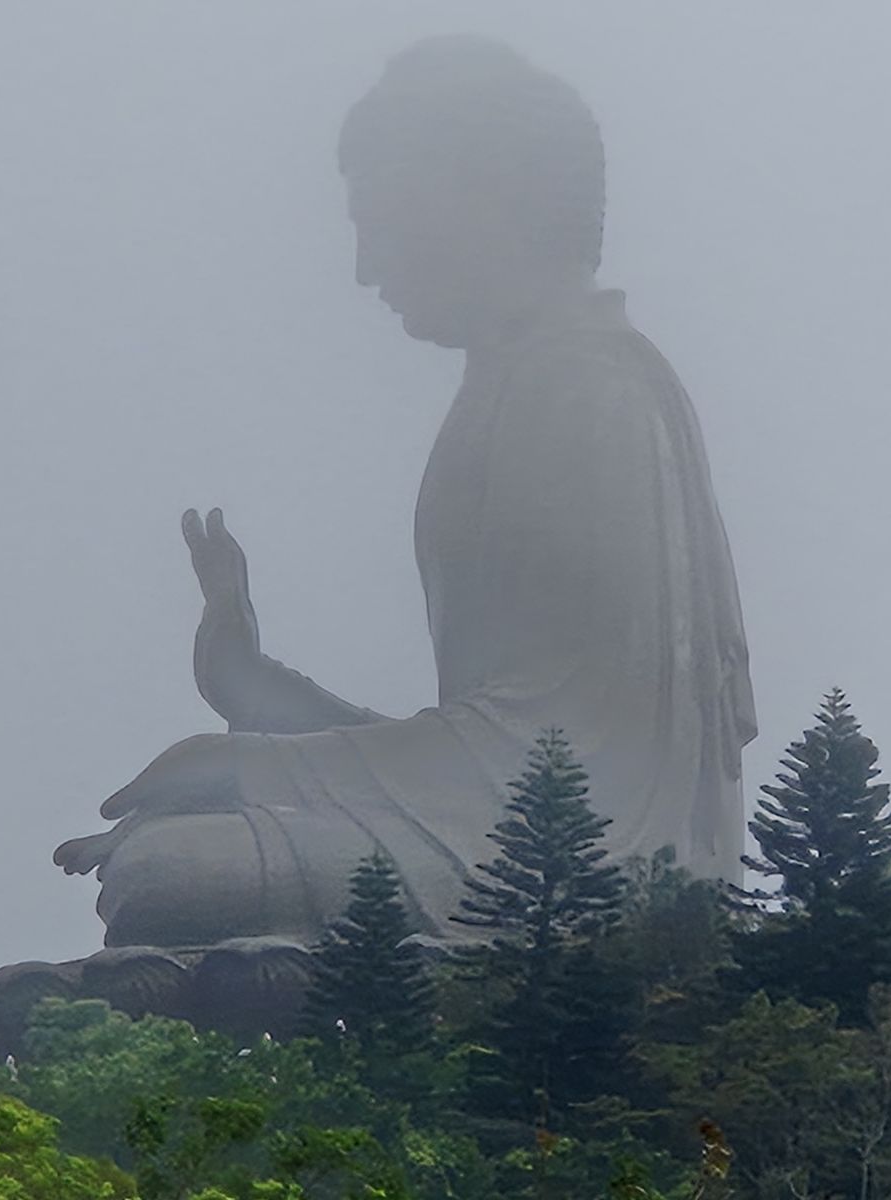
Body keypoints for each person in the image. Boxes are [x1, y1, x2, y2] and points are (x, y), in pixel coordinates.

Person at [54, 34, 756, 947]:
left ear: (483, 195)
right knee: (168, 850)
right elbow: (489, 744)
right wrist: (260, 697)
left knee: (168, 874)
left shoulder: (586, 392)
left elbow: (575, 773)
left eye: (378, 219)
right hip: (500, 836)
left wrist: (256, 768)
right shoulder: (514, 383)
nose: (365, 267)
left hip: (593, 875)